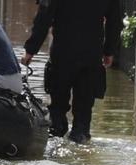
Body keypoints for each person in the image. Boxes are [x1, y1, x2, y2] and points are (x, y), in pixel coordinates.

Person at [22, 0, 121, 144]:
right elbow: (115, 22)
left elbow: (43, 18)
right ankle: (80, 140)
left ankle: (56, 141)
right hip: (91, 56)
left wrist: (30, 50)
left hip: (62, 55)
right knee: (83, 112)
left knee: (57, 110)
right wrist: (109, 51)